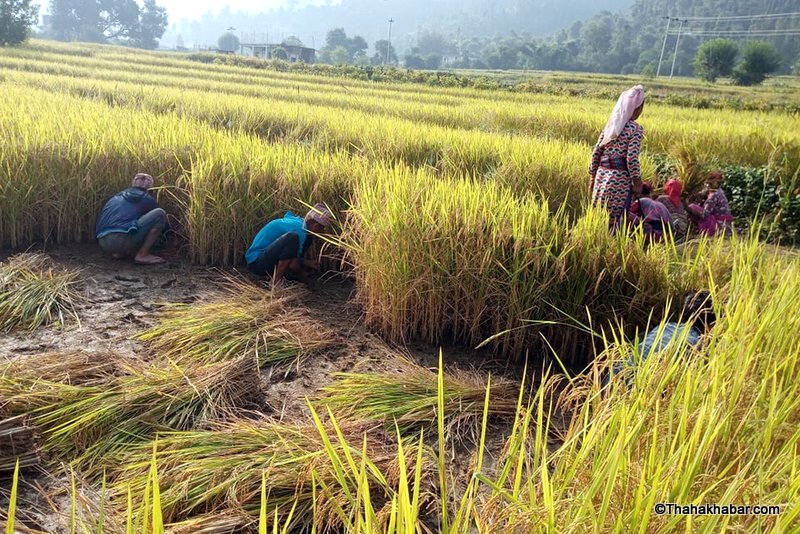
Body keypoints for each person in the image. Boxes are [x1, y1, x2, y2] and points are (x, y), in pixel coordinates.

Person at [607, 290, 716, 385]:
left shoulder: (665, 326)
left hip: (612, 376)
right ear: (712, 324)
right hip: (635, 387)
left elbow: (633, 345)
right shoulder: (697, 345)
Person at [589, 85, 646, 226]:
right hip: (619, 180)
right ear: (637, 108)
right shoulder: (635, 129)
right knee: (616, 222)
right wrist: (638, 183)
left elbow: (596, 152)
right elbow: (631, 159)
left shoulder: (610, 127)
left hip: (601, 177)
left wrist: (592, 176)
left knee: (598, 219)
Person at [245, 203, 333, 288]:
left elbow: (289, 253)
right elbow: (292, 265)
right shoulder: (299, 231)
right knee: (292, 237)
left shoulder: (299, 222)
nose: (323, 232)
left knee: (307, 238)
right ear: (316, 226)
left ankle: (279, 275)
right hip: (257, 263)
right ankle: (276, 281)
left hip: (265, 257)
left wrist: (307, 262)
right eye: (322, 228)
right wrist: (303, 275)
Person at [95, 173, 170, 265]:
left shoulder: (116, 197)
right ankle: (142, 255)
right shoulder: (146, 198)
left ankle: (119, 253)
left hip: (102, 241)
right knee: (160, 213)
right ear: (150, 189)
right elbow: (162, 224)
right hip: (122, 241)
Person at [687, 171, 734, 236]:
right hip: (726, 223)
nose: (707, 185)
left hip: (720, 224)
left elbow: (704, 215)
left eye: (709, 184)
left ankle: (706, 230)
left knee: (693, 207)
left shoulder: (714, 195)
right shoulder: (719, 191)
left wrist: (688, 208)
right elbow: (702, 194)